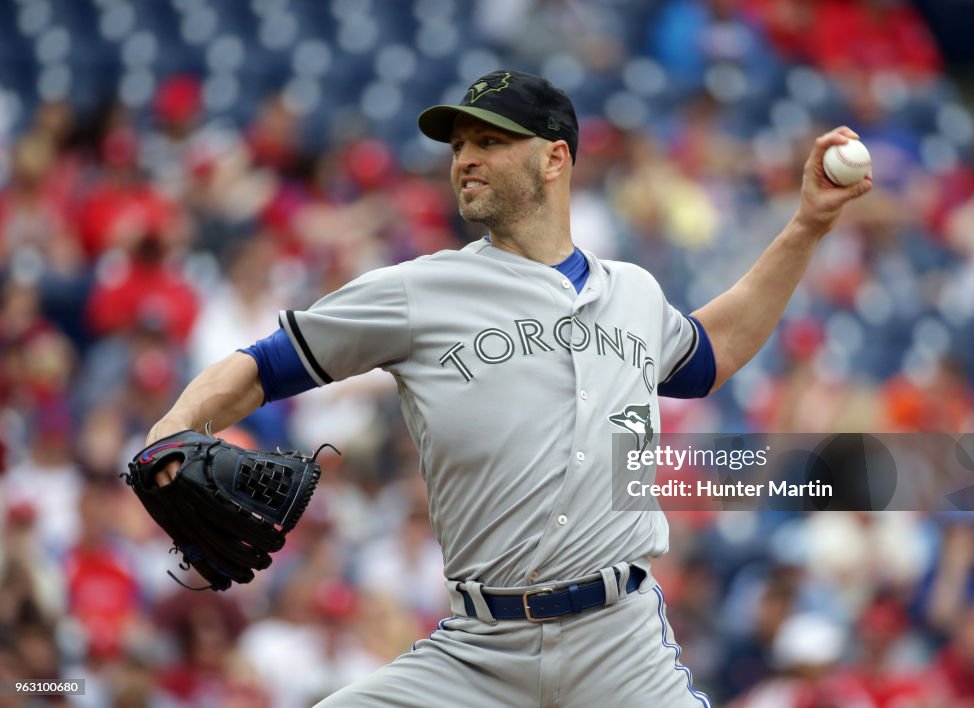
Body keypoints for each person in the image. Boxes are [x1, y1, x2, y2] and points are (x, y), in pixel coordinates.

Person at [144, 70, 871, 706]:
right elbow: (262, 366)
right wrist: (170, 429)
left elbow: (713, 352)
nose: (465, 158)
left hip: (620, 647)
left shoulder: (635, 294)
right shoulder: (420, 290)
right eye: (459, 145)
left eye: (490, 141)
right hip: (477, 653)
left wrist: (807, 224)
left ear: (554, 158)